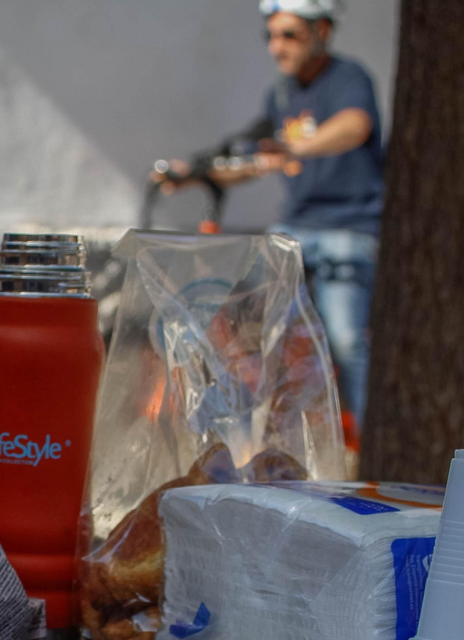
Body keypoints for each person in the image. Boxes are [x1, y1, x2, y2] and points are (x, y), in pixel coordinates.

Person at [156, 0, 384, 432]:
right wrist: (194, 172)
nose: (277, 47)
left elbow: (355, 126)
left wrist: (295, 148)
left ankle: (377, 445)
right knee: (239, 328)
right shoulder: (281, 95)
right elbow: (251, 155)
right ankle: (235, 439)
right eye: (271, 36)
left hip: (347, 228)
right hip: (293, 229)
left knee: (347, 340)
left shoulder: (349, 78)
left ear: (322, 32)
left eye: (290, 35)